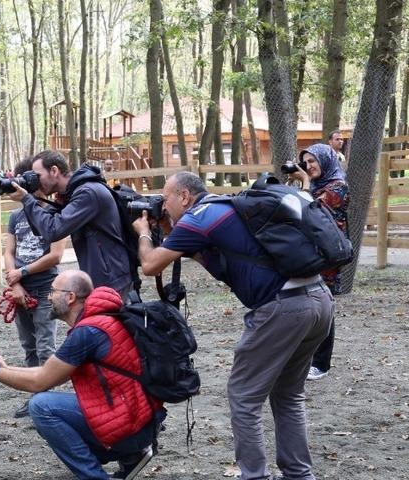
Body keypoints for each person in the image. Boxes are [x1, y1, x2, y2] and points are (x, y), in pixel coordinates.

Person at [131, 171, 333, 480]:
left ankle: (255, 475)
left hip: (284, 308)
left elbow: (150, 265)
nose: (163, 204)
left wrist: (144, 232)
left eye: (166, 197)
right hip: (319, 299)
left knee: (244, 396)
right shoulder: (226, 208)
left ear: (184, 196)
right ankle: (300, 475)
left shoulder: (198, 217)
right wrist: (168, 228)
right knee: (288, 394)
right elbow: (212, 255)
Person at [0, 270, 162, 480]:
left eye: (53, 291)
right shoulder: (101, 320)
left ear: (70, 297)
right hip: (141, 421)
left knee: (41, 406)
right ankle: (130, 456)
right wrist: (4, 369)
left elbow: (40, 382)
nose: (48, 297)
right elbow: (50, 373)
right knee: (46, 405)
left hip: (132, 426)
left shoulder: (87, 332)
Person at [7, 150, 133, 299]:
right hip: (103, 276)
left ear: (54, 171)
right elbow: (40, 230)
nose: (36, 181)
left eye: (37, 176)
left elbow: (53, 231)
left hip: (112, 279)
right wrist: (31, 198)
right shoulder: (70, 194)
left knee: (108, 322)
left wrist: (27, 200)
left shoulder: (87, 193)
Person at [3, 158, 67, 418]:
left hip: (44, 290)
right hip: (20, 292)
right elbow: (9, 251)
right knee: (29, 346)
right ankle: (35, 398)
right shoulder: (15, 216)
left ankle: (47, 401)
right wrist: (15, 282)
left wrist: (23, 272)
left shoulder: (54, 213)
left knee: (45, 347)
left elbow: (56, 255)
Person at [289, 143, 349, 381]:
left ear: (325, 160)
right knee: (307, 303)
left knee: (323, 307)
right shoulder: (315, 184)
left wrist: (303, 181)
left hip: (329, 253)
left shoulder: (338, 186)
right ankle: (306, 358)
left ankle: (321, 363)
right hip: (309, 251)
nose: (309, 166)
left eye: (313, 161)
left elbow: (309, 208)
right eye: (306, 162)